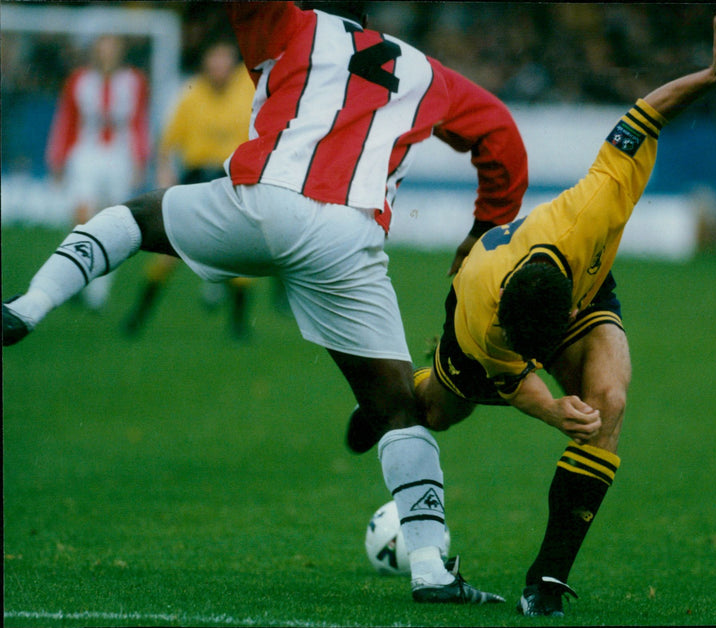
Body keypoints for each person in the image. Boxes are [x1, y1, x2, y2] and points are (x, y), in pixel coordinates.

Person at [2, 1, 528, 605]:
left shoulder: (290, 22)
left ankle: (28, 306)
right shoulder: (429, 72)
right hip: (348, 236)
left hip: (262, 202)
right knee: (397, 410)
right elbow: (502, 136)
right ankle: (432, 568)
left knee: (133, 217)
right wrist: (484, 227)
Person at [358, 8, 716, 618]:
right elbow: (516, 380)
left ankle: (545, 581)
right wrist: (550, 407)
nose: (546, 363)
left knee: (606, 405)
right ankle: (384, 401)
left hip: (586, 293)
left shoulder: (595, 204)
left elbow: (645, 113)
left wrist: (712, 74)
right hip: (473, 325)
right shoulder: (486, 312)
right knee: (433, 411)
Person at [122, 40, 258, 340]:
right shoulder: (191, 94)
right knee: (168, 254)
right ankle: (136, 318)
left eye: (224, 59)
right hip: (196, 177)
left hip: (231, 178)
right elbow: (167, 143)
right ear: (205, 63)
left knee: (241, 250)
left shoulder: (248, 90)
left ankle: (238, 327)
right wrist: (165, 169)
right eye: (214, 58)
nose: (219, 66)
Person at [45, 33, 149, 311]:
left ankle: (97, 290)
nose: (107, 54)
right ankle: (77, 280)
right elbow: (67, 118)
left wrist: (140, 159)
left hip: (120, 156)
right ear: (95, 51)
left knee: (115, 222)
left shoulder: (134, 81)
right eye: (103, 48)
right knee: (81, 216)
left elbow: (140, 120)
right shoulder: (79, 80)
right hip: (86, 153)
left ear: (120, 51)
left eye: (112, 48)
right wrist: (57, 157)